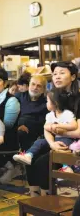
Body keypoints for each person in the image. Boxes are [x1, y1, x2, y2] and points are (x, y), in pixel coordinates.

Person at [24, 61, 80, 197]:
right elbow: (46, 127)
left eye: (62, 73)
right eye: (54, 74)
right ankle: (35, 196)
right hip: (55, 141)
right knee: (30, 158)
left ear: (73, 77)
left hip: (73, 144)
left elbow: (78, 132)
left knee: (43, 163)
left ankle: (48, 200)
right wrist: (52, 143)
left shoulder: (78, 99)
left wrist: (56, 130)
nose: (57, 77)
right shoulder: (53, 96)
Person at [13, 88, 78, 166]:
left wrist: (57, 126)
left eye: (47, 101)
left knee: (62, 149)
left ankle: (65, 167)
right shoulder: (49, 115)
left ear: (55, 103)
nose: (46, 103)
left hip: (66, 138)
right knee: (39, 142)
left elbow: (74, 125)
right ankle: (29, 155)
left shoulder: (67, 113)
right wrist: (50, 127)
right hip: (54, 138)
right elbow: (46, 126)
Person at [15, 75, 48, 151]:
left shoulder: (46, 103)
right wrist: (18, 125)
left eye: (39, 86)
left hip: (35, 135)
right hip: (17, 131)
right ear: (29, 85)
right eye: (33, 84)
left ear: (43, 90)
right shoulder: (18, 97)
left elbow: (43, 122)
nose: (35, 87)